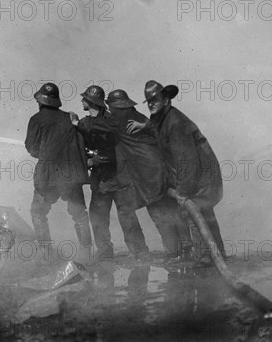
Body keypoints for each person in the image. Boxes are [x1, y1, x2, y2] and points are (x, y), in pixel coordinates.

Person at [70, 89, 191, 261]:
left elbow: (97, 128)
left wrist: (76, 124)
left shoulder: (112, 120)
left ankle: (156, 253)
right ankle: (176, 251)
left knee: (140, 214)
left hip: (131, 175)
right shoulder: (133, 117)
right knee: (160, 212)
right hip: (133, 174)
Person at [128, 80, 225, 266]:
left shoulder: (176, 123)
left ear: (166, 100)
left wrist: (183, 191)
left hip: (201, 177)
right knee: (205, 213)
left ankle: (205, 259)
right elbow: (157, 127)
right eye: (149, 101)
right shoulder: (164, 118)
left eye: (155, 99)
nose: (151, 103)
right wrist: (144, 127)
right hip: (203, 174)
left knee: (193, 211)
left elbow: (186, 162)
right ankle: (217, 253)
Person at [77, 85, 149, 261]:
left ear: (91, 102)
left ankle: (140, 253)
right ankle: (105, 253)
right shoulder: (83, 124)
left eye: (84, 98)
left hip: (119, 177)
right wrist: (89, 159)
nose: (81, 101)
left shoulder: (111, 121)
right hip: (100, 179)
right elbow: (80, 148)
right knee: (98, 217)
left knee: (127, 216)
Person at [25, 82, 93, 261]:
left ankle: (46, 255)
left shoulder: (36, 119)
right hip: (71, 175)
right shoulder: (70, 117)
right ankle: (87, 254)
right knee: (79, 215)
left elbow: (32, 149)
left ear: (40, 101)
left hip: (48, 176)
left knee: (38, 213)